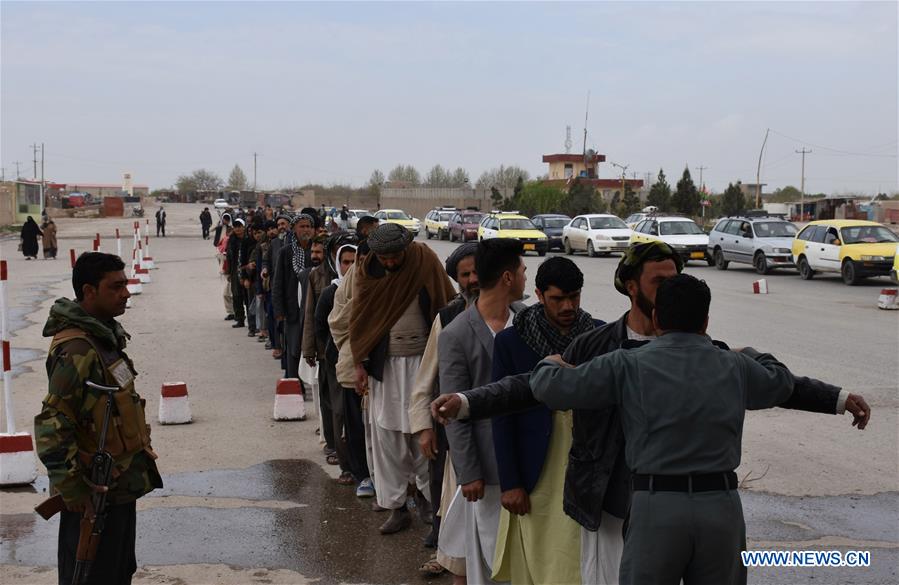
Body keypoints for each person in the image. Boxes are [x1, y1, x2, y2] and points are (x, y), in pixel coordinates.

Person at [433, 241, 871, 585]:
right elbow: (524, 389)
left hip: (654, 508)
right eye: (658, 280)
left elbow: (545, 382)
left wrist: (834, 397)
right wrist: (470, 402)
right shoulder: (599, 343)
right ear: (631, 286)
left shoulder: (632, 361)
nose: (667, 286)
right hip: (612, 501)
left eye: (672, 280)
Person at [528, 274, 795, 584]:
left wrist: (550, 363)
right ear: (705, 321)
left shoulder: (628, 364)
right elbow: (781, 381)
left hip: (656, 506)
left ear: (656, 317)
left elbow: (552, 389)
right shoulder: (734, 366)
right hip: (721, 507)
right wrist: (748, 352)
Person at [35, 252, 162, 584]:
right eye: (115, 286)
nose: (126, 292)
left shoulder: (103, 337)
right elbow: (52, 425)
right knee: (92, 575)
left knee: (119, 571)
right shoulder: (77, 350)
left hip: (118, 484)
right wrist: (74, 492)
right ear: (89, 291)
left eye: (125, 284)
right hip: (92, 494)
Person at [490, 257, 601, 585]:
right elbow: (502, 412)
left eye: (574, 297)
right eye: (558, 299)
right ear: (538, 294)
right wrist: (510, 482)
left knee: (581, 558)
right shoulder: (511, 342)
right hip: (537, 468)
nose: (568, 306)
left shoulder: (600, 335)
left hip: (588, 464)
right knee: (541, 555)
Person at [349, 223, 456, 534]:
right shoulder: (369, 269)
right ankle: (396, 507)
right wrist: (359, 364)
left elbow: (445, 304)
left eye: (396, 256)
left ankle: (426, 500)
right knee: (387, 437)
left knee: (423, 433)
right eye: (385, 258)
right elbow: (361, 318)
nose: (391, 263)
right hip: (385, 366)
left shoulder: (424, 261)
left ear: (406, 249)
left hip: (424, 362)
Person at [438, 239, 525, 584]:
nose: (524, 278)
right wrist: (469, 471)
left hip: (530, 461)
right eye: (521, 271)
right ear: (507, 278)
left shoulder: (526, 322)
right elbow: (453, 410)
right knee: (490, 560)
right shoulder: (457, 334)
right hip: (487, 471)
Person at [409, 242, 479, 564]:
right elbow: (425, 379)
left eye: (478, 271)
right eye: (465, 274)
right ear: (457, 280)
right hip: (451, 427)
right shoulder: (447, 317)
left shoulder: (516, 316)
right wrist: (424, 428)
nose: (473, 279)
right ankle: (445, 549)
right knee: (444, 488)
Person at [272, 214, 314, 378]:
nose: (305, 230)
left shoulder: (317, 250)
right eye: (302, 226)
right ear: (294, 229)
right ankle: (294, 384)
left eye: (308, 226)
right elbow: (278, 283)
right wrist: (279, 310)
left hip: (312, 307)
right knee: (293, 348)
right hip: (292, 309)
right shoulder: (286, 252)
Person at [227, 218, 253, 328]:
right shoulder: (231, 240)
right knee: (236, 296)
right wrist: (228, 272)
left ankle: (252, 321)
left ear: (244, 227)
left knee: (248, 297)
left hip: (247, 271)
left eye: (239, 226)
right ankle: (240, 319)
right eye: (235, 226)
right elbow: (229, 257)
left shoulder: (249, 239)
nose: (237, 228)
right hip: (234, 272)